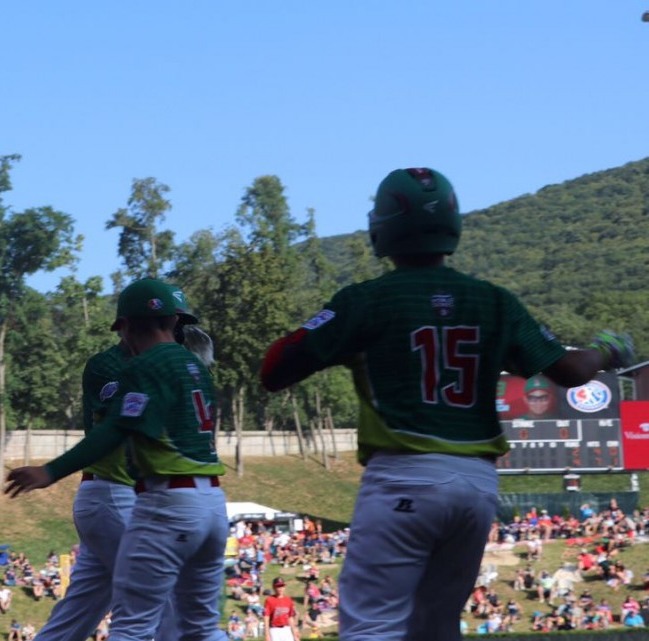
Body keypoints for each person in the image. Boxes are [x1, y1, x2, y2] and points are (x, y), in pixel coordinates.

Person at [258, 168, 636, 641]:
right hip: (476, 486)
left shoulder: (367, 300)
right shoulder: (494, 301)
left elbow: (274, 369)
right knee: (436, 628)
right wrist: (608, 350)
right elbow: (572, 371)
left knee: (372, 625)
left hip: (403, 476)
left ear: (385, 225)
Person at [6, 277, 227, 641]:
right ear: (173, 323)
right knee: (169, 613)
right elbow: (120, 424)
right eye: (181, 324)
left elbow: (123, 425)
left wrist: (51, 471)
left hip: (149, 499)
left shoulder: (160, 365)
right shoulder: (134, 366)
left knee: (111, 617)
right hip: (121, 495)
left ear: (124, 324)